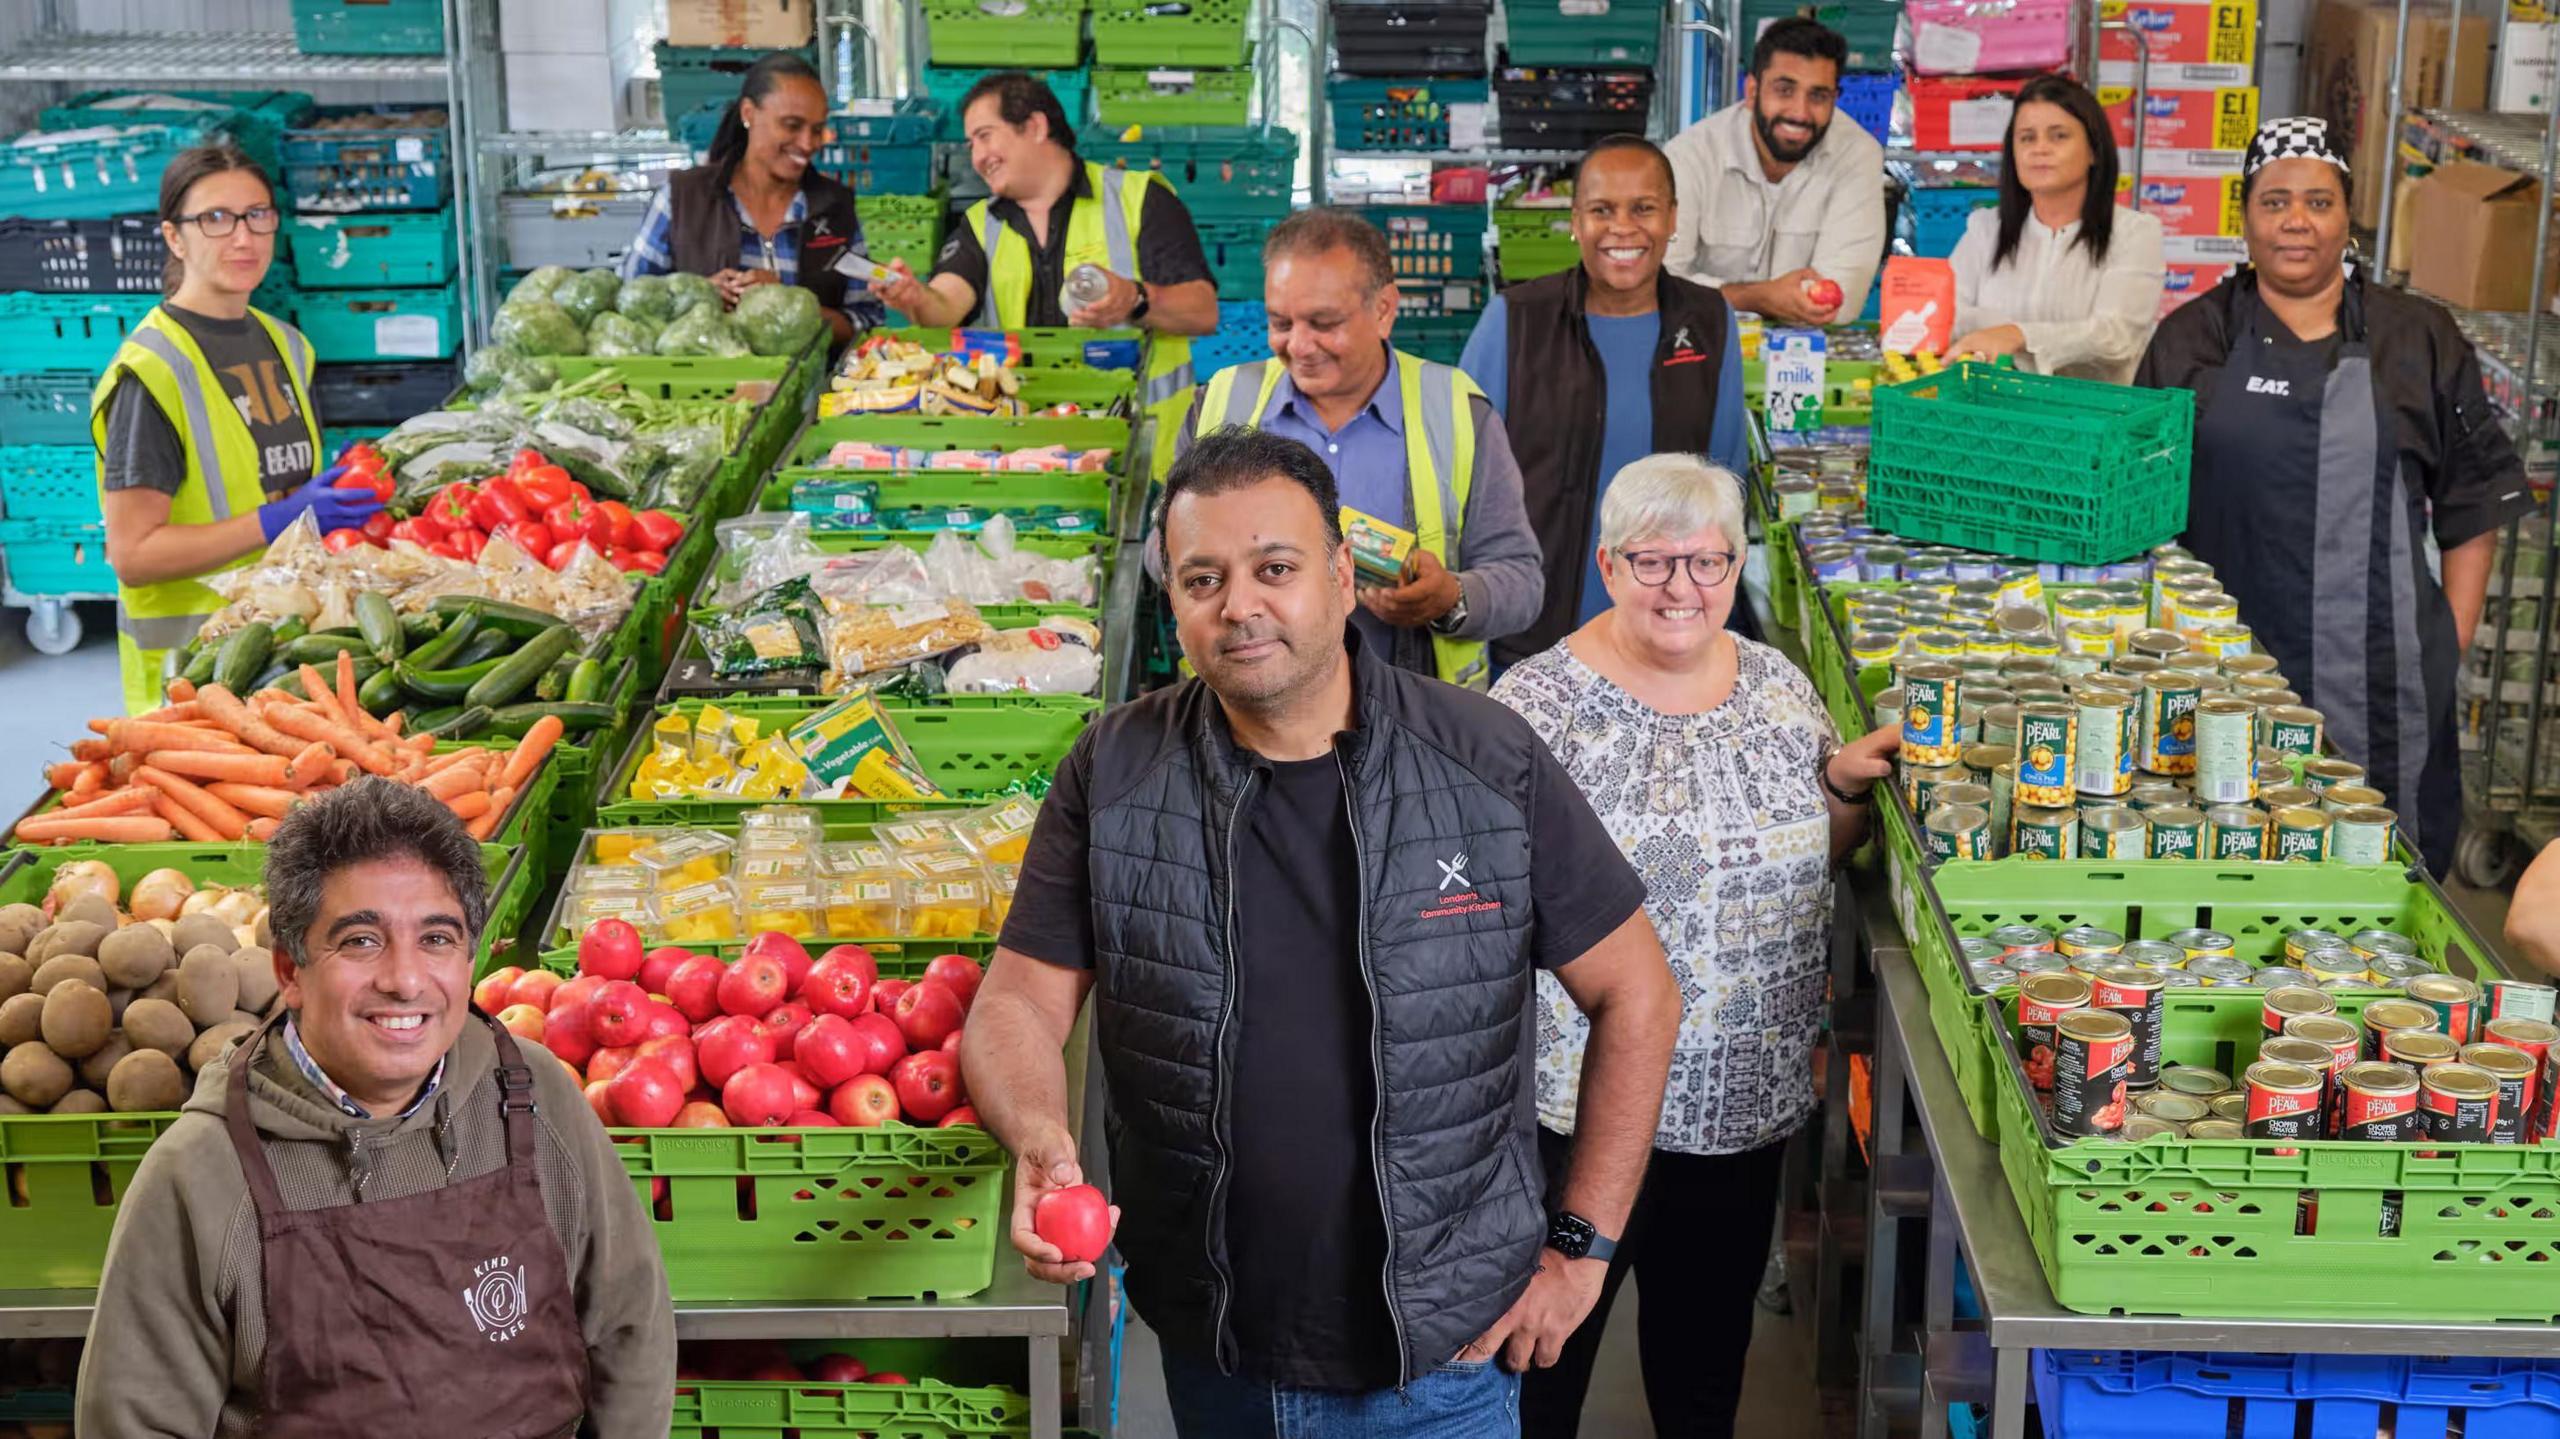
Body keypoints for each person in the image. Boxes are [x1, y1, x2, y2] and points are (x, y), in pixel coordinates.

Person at [961, 428, 1684, 1437]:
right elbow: (1019, 999)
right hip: (1218, 1349)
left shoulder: (1484, 759)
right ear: (1173, 602)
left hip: (1443, 1366)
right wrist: (1039, 1133)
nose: (1239, 604)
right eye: (1202, 577)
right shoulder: (1114, 771)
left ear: (1343, 577)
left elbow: (1637, 990)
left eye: (1275, 568)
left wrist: (1580, 1246)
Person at [1490, 454, 1899, 1439]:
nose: (1683, 586)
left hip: (1737, 1107)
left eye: (1708, 561)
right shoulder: (1531, 711)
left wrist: (1841, 793)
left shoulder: (1774, 686)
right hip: (1569, 1110)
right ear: (1606, 564)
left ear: (1737, 562)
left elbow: (1808, 861)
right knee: (1538, 1366)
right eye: (1653, 560)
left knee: (1702, 1374)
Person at [77, 777, 674, 1436]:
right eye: (362, 940)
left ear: (470, 958)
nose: (405, 978)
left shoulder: (532, 1098)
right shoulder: (201, 1174)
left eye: (437, 939)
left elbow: (630, 1326)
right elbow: (132, 1421)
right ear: (289, 970)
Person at [2136, 117, 2534, 878]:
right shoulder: (2191, 341)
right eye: (2275, 201)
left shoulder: (2416, 338)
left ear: (2347, 216)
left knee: (2383, 875)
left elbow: (2472, 502)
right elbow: (2147, 510)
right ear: (2244, 215)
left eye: (2318, 203)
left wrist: (2444, 644)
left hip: (2380, 684)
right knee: (2217, 865)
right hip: (2218, 672)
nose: (2296, 222)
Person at [1168, 208, 1544, 689]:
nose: (1300, 346)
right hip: (1246, 712)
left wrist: (1449, 598)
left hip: (1413, 719)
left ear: (1384, 309)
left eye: (1324, 323)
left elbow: (1521, 581)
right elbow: (1161, 553)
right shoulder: (1220, 403)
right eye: (1281, 322)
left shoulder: (1456, 412)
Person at [95, 143, 372, 717]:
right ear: (175, 237)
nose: (242, 238)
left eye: (257, 215)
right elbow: (133, 553)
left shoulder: (287, 345)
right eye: (215, 219)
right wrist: (279, 518)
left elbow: (267, 475)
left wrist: (331, 485)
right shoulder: (152, 372)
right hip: (194, 680)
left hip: (285, 662)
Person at [1460, 135, 1754, 665]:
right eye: (1602, 210)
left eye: (1643, 208)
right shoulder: (1514, 321)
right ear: (1575, 221)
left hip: (1669, 631)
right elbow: (1463, 479)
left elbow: (1726, 481)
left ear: (1672, 219)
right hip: (1535, 632)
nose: (1623, 227)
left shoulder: (1709, 322)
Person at [871, 71, 1218, 411]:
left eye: (985, 136)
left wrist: (1136, 299)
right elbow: (945, 304)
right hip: (1032, 445)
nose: (977, 157)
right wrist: (916, 297)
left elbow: (1203, 311)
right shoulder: (981, 224)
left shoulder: (1139, 199)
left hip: (1142, 446)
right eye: (971, 143)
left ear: (1035, 126)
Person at [620, 50, 885, 343]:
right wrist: (698, 295)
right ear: (749, 114)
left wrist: (788, 302)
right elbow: (628, 304)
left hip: (814, 385)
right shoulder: (681, 199)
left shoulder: (835, 208)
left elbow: (866, 319)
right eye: (792, 125)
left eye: (818, 130)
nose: (807, 143)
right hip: (706, 386)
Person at [1661, 18, 1886, 326]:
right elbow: (1659, 288)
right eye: (1784, 90)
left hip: (1807, 357)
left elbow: (1841, 301)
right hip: (1698, 344)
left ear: (1835, 98)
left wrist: (1719, 296)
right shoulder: (1690, 157)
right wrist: (1757, 297)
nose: (1800, 112)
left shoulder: (1858, 155)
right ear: (1752, 91)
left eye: (1818, 96)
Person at [1945, 72, 2165, 383]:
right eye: (2027, 138)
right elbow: (1946, 313)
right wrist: (2011, 333)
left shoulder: (2135, 233)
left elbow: (2116, 336)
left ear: (2093, 150)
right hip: (1994, 415)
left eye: (2058, 135)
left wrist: (2016, 334)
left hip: (2091, 419)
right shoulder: (1985, 229)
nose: (2040, 148)